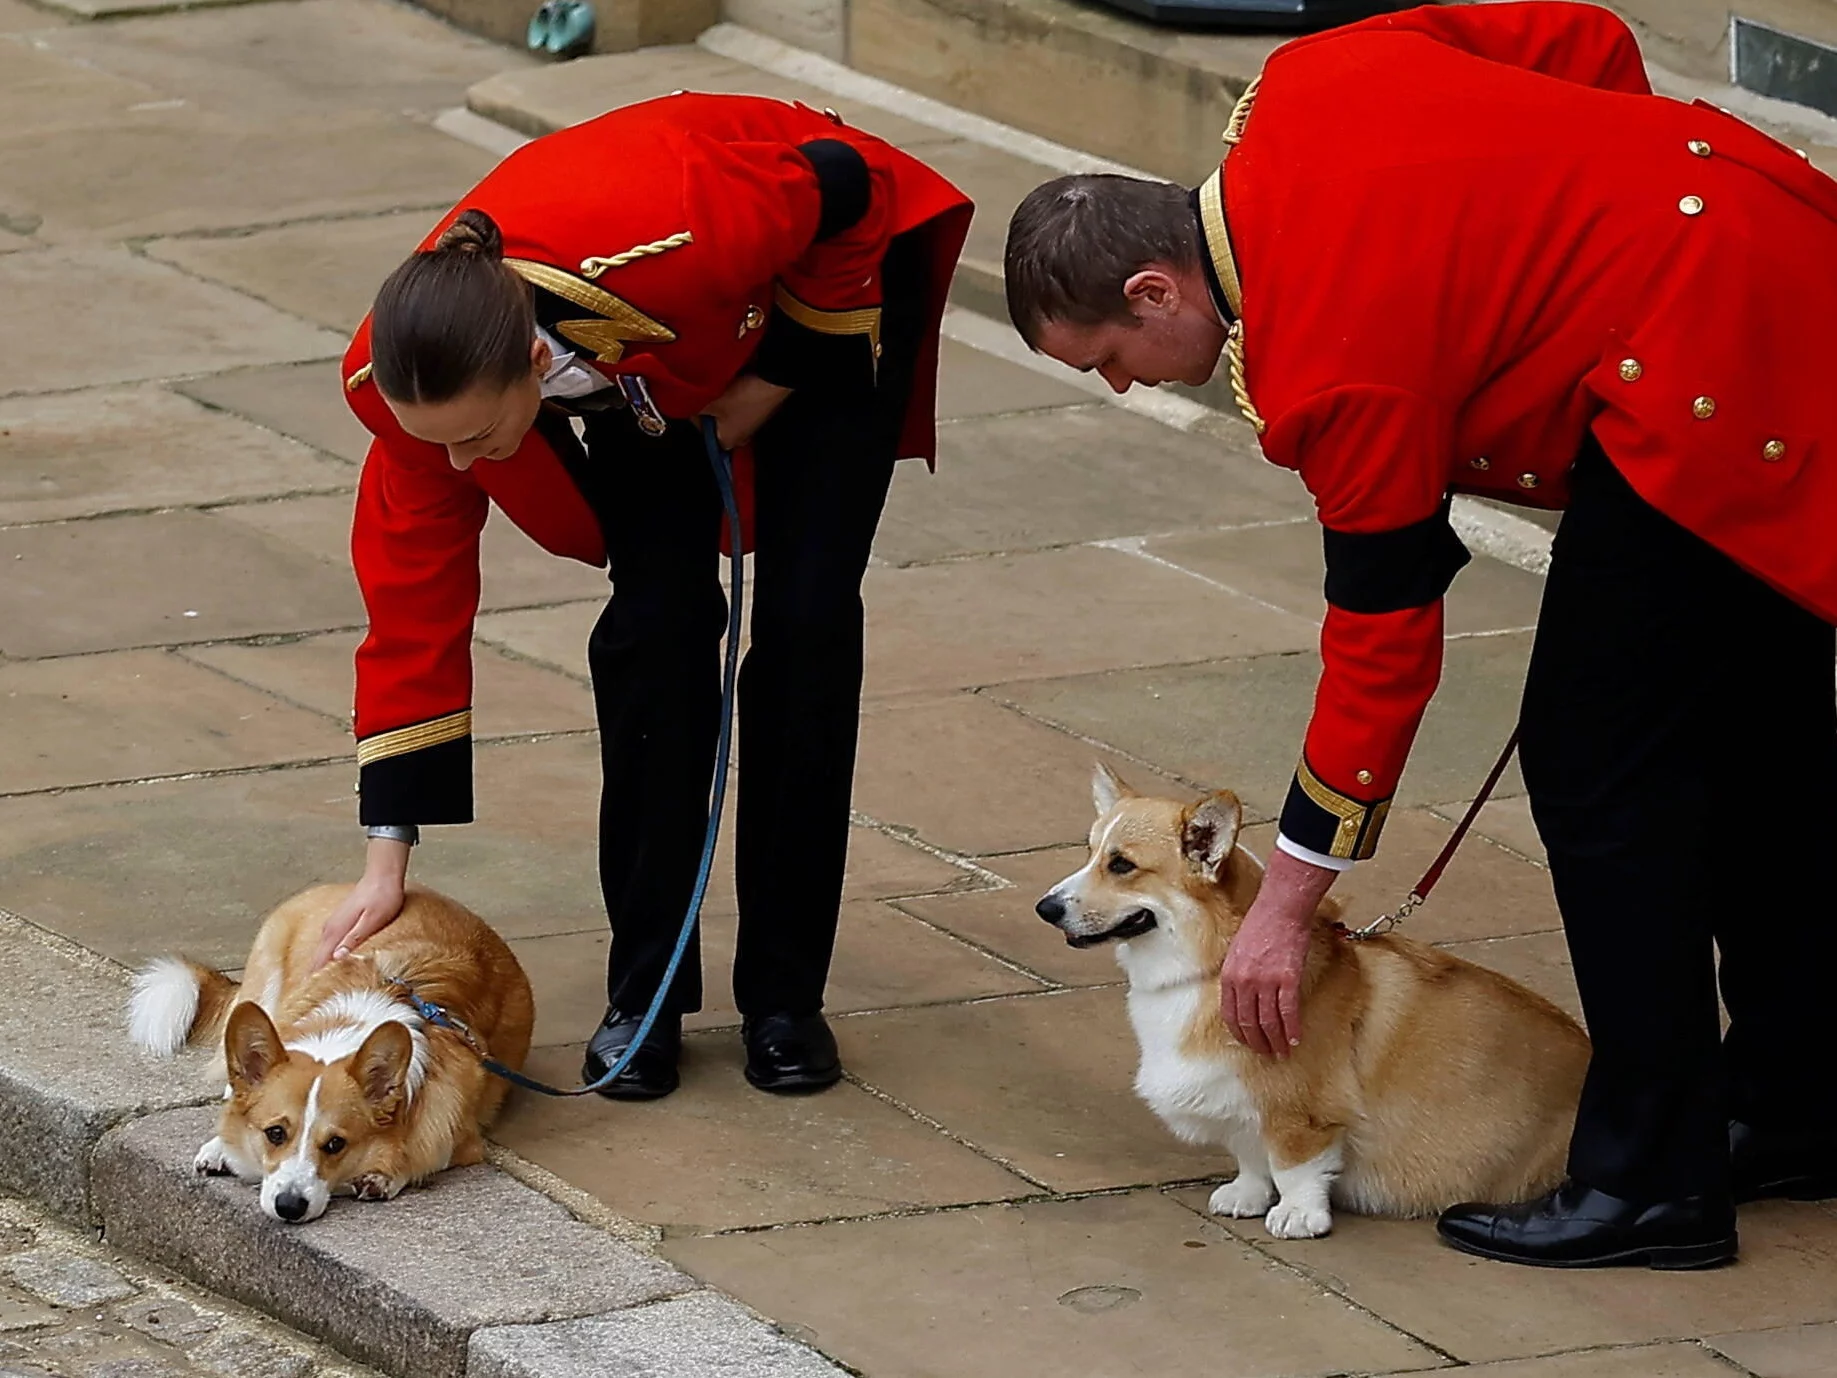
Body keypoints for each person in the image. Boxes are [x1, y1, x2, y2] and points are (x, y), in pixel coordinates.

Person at [1001, 0, 1836, 1269]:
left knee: (1601, 769)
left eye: (1110, 356)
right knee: (1756, 743)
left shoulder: (1328, 362)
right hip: (1777, 241)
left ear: (1154, 285)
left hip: (1710, 381)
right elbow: (1585, 42)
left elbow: (1383, 649)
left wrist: (1282, 907)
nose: (1124, 384)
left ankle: (1653, 1178)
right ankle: (1794, 1102)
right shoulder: (1302, 78)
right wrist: (1619, 208)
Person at [322, 92, 971, 1101]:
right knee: (655, 631)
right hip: (650, 369)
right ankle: (646, 995)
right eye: (435, 437)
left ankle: (786, 1000)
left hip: (815, 291)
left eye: (472, 437)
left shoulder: (679, 225)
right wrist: (385, 860)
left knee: (804, 624)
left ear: (533, 363)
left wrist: (777, 377)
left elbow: (849, 189)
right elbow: (410, 610)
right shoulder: (412, 381)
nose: (452, 462)